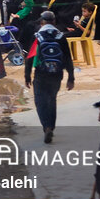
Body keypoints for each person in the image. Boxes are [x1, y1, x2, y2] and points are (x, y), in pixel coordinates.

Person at [24, 12, 75, 143]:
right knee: (52, 100)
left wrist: (27, 75)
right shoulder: (61, 36)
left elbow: (29, 57)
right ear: (54, 22)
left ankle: (46, 127)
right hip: (57, 74)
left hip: (41, 73)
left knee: (40, 101)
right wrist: (71, 78)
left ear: (42, 22)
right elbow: (68, 58)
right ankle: (51, 127)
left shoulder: (37, 36)